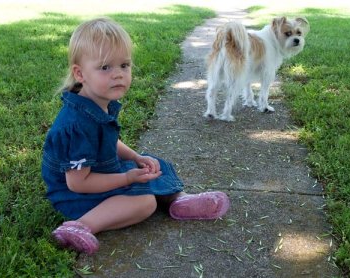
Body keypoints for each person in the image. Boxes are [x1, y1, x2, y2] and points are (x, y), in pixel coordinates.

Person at [41, 17, 230, 255]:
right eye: (105, 67)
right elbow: (78, 183)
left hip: (101, 170)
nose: (118, 74)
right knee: (143, 203)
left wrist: (136, 157)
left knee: (153, 164)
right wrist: (127, 178)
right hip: (75, 194)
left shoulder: (98, 102)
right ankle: (79, 226)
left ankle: (178, 200)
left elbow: (108, 141)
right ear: (80, 73)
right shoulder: (76, 125)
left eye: (124, 65)